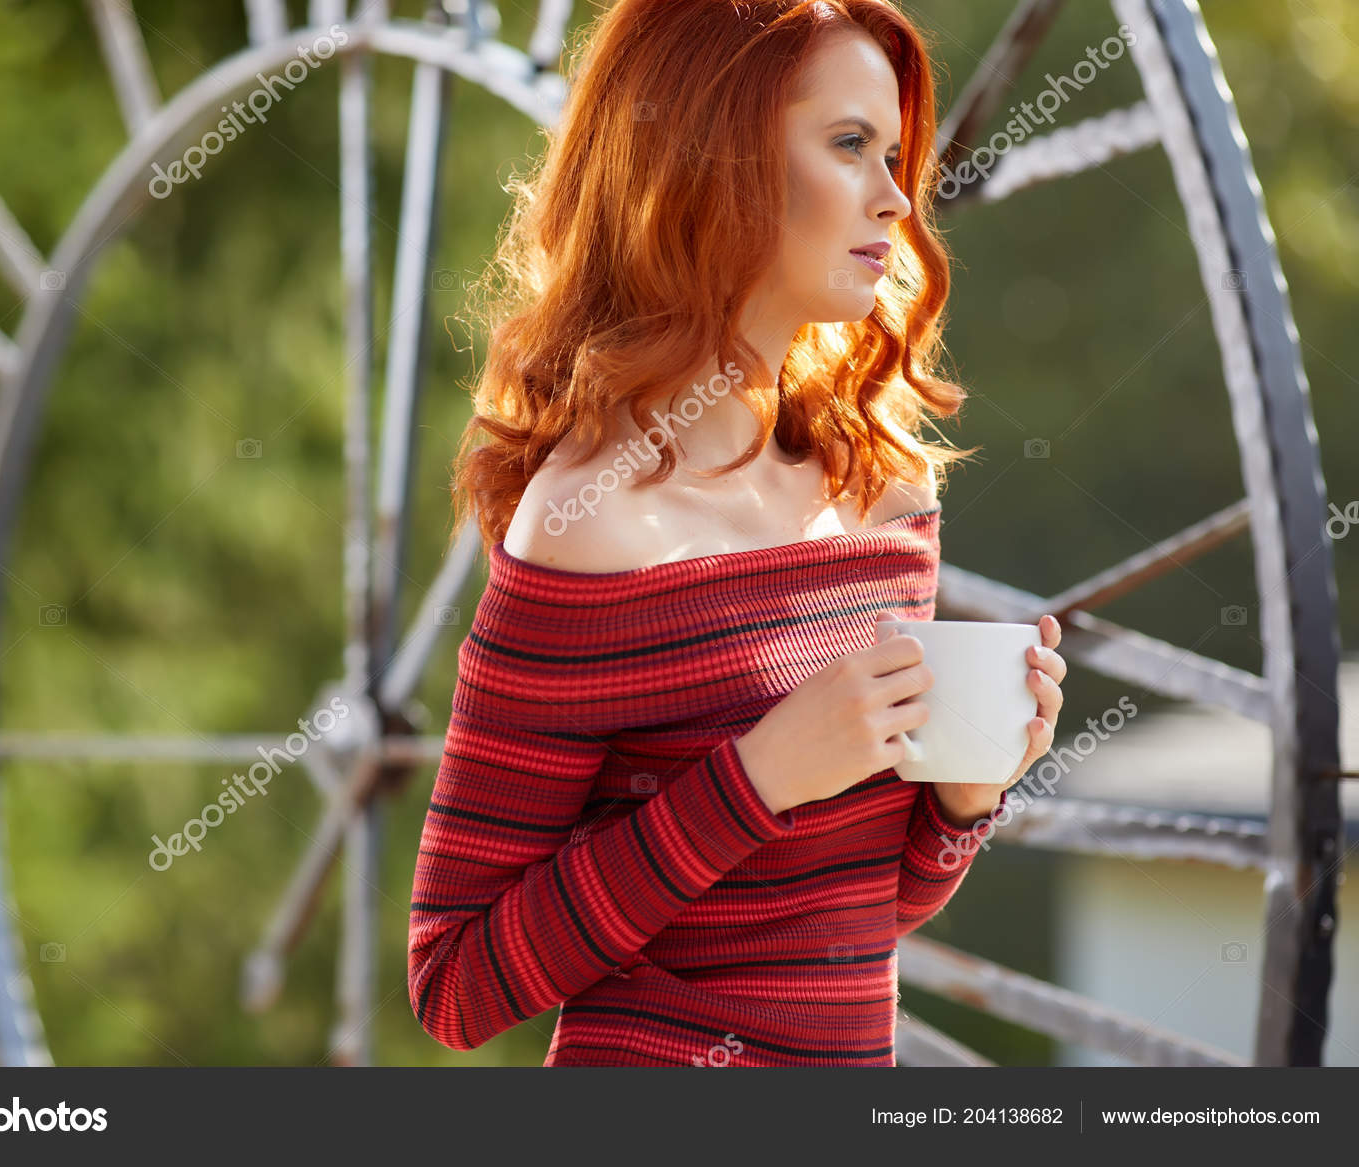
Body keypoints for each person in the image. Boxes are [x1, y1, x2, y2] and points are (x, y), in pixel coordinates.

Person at [407, 0, 1067, 1067]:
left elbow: (846, 922)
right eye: (848, 145)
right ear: (712, 159)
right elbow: (456, 983)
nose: (895, 198)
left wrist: (966, 794)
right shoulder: (588, 525)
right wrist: (752, 780)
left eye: (894, 154)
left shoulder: (885, 501)